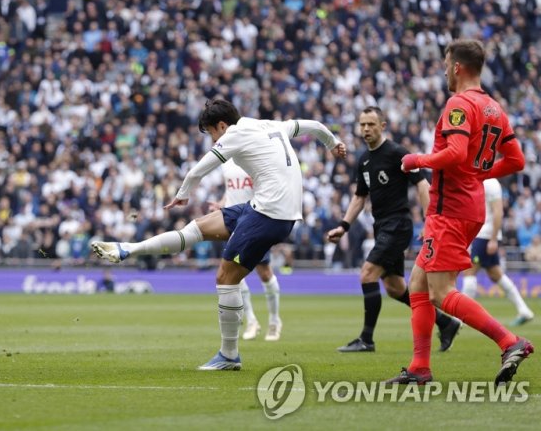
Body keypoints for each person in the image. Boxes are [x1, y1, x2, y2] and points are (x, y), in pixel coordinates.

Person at [91, 98, 346, 370]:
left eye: (212, 133)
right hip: (262, 208)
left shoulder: (235, 133)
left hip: (270, 215)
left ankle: (229, 355)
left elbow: (198, 170)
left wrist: (182, 195)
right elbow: (314, 125)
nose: (213, 140)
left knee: (226, 277)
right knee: (197, 228)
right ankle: (130, 249)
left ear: (222, 125)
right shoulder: (271, 124)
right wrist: (333, 144)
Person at [388, 39, 532, 384]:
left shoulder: (459, 103)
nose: (443, 72)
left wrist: (416, 160)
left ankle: (509, 341)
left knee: (440, 292)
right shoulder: (494, 108)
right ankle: (420, 367)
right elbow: (516, 160)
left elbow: (454, 153)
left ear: (456, 67)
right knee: (418, 283)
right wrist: (479, 173)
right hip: (470, 206)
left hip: (450, 208)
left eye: (444, 65)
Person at [328, 107, 461, 353]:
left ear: (383, 126)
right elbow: (360, 197)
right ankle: (446, 323)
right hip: (382, 226)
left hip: (397, 225)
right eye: (362, 124)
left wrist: (429, 221)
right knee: (395, 288)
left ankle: (366, 340)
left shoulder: (397, 153)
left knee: (367, 274)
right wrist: (343, 226)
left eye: (371, 124)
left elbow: (422, 184)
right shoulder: (364, 160)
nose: (366, 129)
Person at [208, 158, 282, 342]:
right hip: (234, 222)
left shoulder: (253, 156)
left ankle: (274, 321)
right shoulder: (225, 161)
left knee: (265, 273)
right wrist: (221, 203)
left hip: (255, 221)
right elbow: (231, 190)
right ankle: (251, 321)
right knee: (232, 273)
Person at [461, 178, 534, 326]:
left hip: (485, 235)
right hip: (482, 234)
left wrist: (493, 239)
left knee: (469, 272)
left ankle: (459, 318)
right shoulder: (479, 179)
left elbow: (498, 212)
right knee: (495, 274)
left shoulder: (490, 182)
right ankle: (524, 310)